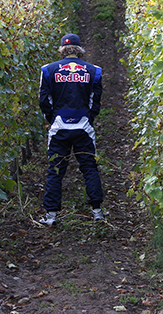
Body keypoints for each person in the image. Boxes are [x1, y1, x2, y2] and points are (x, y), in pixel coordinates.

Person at [38, 33, 104, 226]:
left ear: (62, 50)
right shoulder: (94, 71)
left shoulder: (48, 70)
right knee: (89, 168)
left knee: (55, 170)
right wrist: (88, 117)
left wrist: (52, 118)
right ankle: (97, 212)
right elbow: (96, 99)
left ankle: (51, 216)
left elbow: (43, 100)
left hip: (59, 127)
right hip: (83, 127)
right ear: (80, 49)